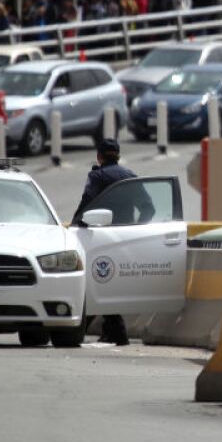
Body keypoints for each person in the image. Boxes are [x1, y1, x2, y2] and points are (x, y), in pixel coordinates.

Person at [72, 139, 138, 346]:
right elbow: (150, 208)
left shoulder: (97, 176)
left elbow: (86, 202)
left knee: (96, 281)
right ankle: (112, 331)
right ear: (117, 155)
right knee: (108, 280)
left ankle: (114, 331)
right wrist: (133, 225)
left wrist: (75, 225)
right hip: (125, 236)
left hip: (100, 237)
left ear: (99, 156)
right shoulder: (130, 177)